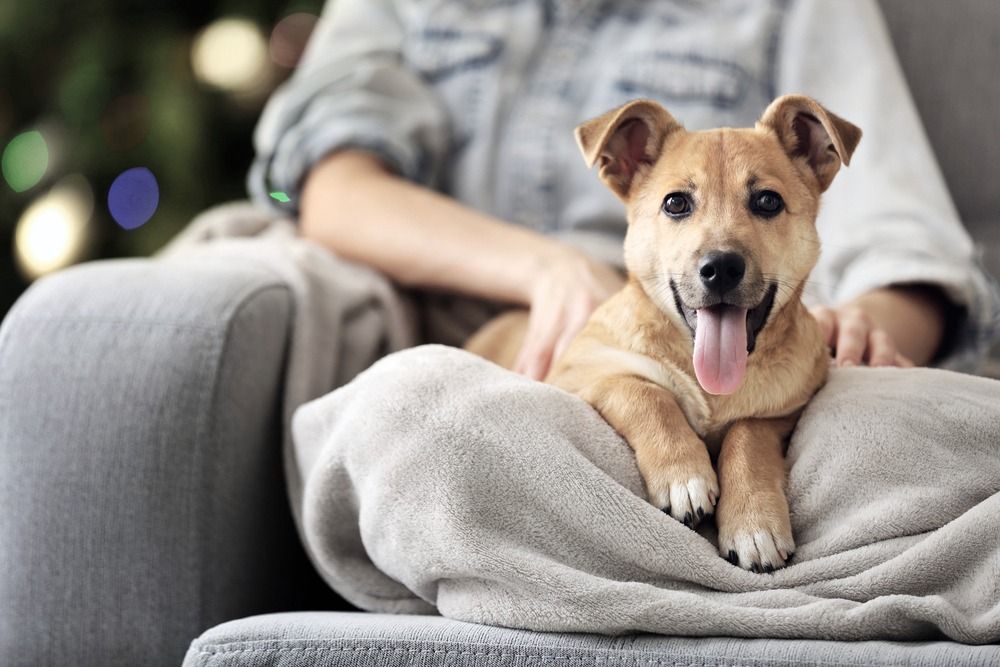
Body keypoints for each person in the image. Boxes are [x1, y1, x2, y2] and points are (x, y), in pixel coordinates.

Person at [248, 0, 997, 381]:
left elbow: (905, 242)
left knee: (883, 438)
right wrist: (548, 268)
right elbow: (333, 188)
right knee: (422, 413)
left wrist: (861, 329)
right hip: (445, 330)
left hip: (716, 339)